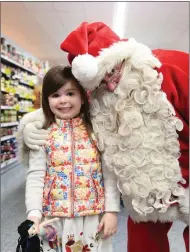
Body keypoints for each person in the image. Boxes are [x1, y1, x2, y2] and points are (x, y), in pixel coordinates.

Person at [18, 22, 189, 252]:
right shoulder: (96, 92)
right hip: (147, 187)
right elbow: (65, 105)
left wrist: (110, 210)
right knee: (143, 240)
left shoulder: (169, 67)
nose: (110, 86)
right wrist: (30, 125)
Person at [24, 65, 120, 252]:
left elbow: (109, 175)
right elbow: (35, 176)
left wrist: (111, 211)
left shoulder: (96, 133)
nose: (64, 101)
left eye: (70, 93)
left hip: (93, 217)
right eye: (55, 95)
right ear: (47, 100)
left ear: (83, 98)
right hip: (53, 218)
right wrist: (33, 213)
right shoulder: (43, 135)